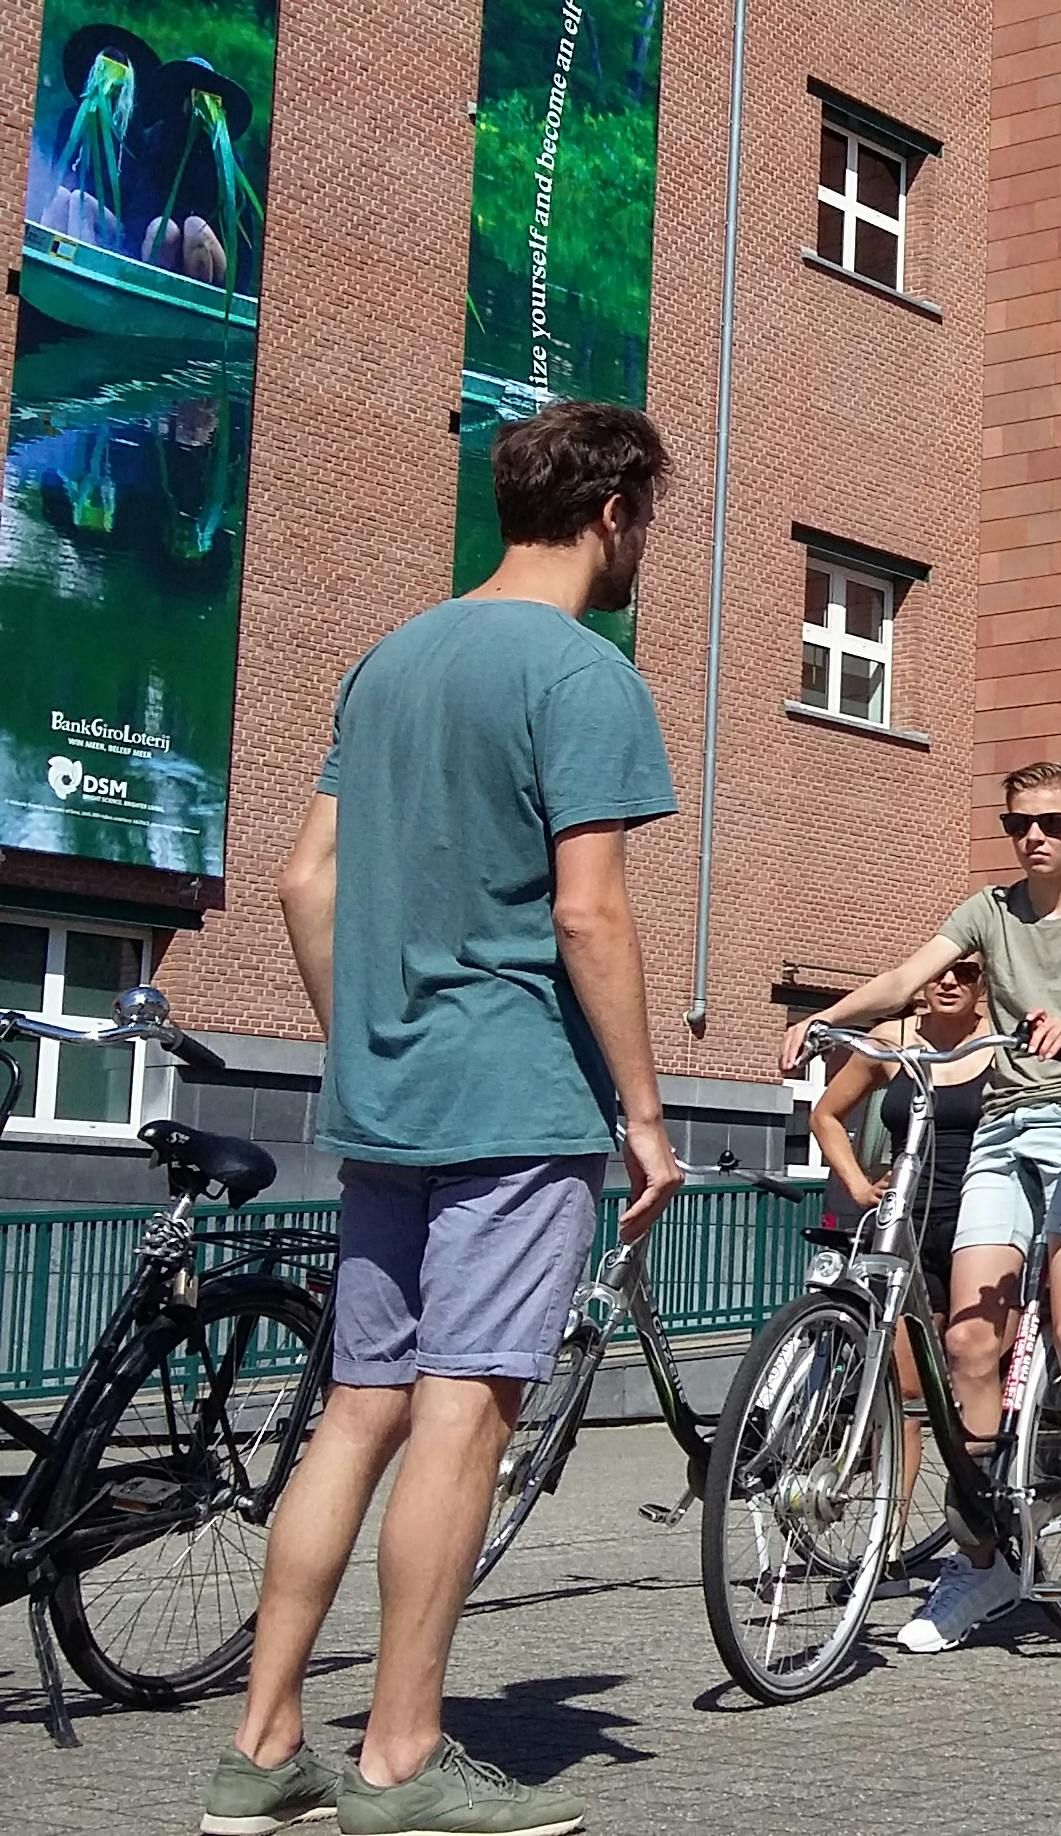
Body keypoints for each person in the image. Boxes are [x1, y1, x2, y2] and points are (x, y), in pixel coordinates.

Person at [204, 401, 683, 1836]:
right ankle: (402, 1758)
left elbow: (304, 882)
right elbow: (590, 911)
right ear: (612, 513)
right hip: (515, 1095)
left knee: (358, 1415)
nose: (646, 541)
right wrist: (648, 1114)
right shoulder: (585, 675)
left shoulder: (392, 657)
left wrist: (368, 1038)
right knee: (465, 1415)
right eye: (648, 517)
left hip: (390, 1099)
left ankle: (262, 1746)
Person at [781, 762, 1061, 1663]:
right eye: (1019, 822)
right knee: (964, 1345)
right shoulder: (986, 910)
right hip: (1002, 1129)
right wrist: (826, 1018)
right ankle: (984, 1554)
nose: (1035, 837)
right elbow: (907, 973)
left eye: (1054, 823)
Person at [808, 954, 993, 1568]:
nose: (948, 981)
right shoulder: (895, 1043)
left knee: (974, 1376)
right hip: (906, 1223)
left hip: (980, 1227)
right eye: (942, 972)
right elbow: (826, 1115)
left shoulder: (999, 1048)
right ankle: (884, 1550)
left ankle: (986, 1529)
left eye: (966, 974)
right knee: (905, 1392)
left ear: (984, 987)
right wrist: (860, 1186)